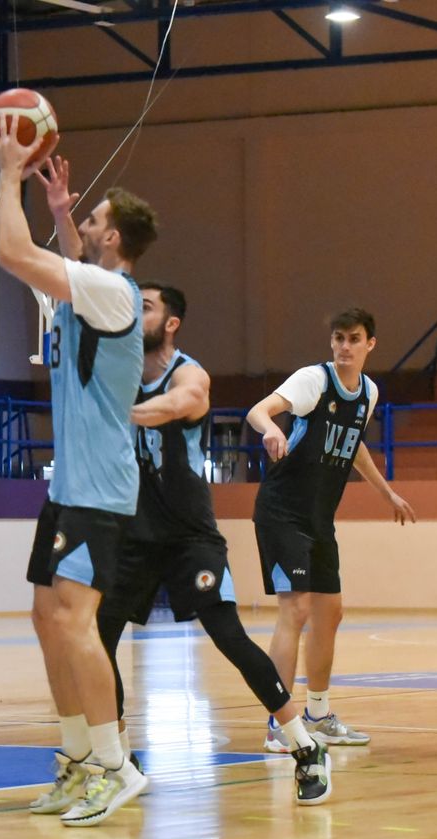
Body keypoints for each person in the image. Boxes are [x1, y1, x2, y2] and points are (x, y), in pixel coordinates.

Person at [97, 281, 331, 804]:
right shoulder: (119, 373)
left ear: (171, 323)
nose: (137, 313)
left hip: (189, 536)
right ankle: (118, 757)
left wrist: (117, 414)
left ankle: (303, 745)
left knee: (228, 635)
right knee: (97, 639)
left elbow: (183, 402)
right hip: (135, 534)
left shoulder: (189, 373)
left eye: (148, 306)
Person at [0, 131, 152, 827]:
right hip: (69, 486)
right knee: (46, 618)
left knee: (77, 620)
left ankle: (115, 766)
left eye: (92, 218)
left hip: (100, 487)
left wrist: (9, 175)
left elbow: (13, 256)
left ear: (115, 237)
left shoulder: (113, 293)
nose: (83, 223)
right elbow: (64, 260)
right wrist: (56, 209)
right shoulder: (94, 283)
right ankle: (78, 758)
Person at [245, 309, 416, 753]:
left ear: (370, 344)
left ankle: (317, 715)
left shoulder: (368, 393)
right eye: (338, 338)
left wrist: (386, 493)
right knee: (295, 610)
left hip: (319, 518)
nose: (344, 347)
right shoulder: (312, 380)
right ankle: (279, 725)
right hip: (282, 511)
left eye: (353, 339)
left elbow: (354, 443)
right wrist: (268, 430)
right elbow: (259, 411)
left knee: (331, 613)